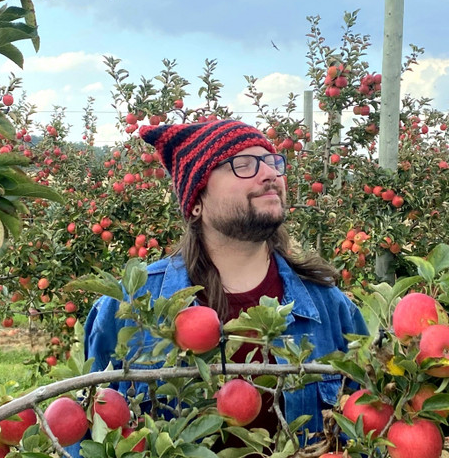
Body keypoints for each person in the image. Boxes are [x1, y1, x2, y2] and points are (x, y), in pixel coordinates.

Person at [76, 119, 367, 451]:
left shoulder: (329, 306)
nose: (270, 174)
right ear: (196, 201)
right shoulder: (129, 307)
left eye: (272, 162)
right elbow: (87, 435)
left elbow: (369, 422)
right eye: (243, 164)